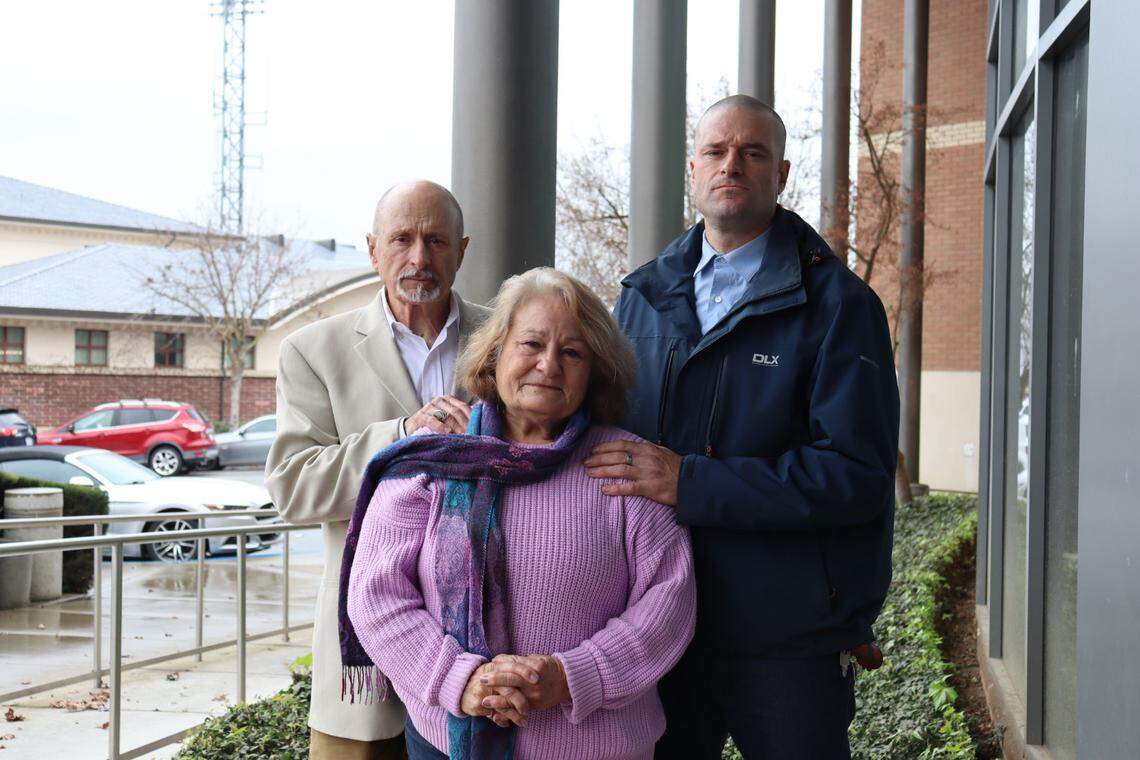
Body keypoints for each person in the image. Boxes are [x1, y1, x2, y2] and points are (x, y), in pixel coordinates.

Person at [584, 94, 901, 758]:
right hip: (657, 627)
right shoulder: (638, 299)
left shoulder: (841, 308)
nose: (733, 164)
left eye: (753, 152)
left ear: (781, 175)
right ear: (693, 168)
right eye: (718, 151)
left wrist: (690, 482)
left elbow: (854, 478)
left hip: (788, 641)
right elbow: (594, 437)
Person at [342, 267, 696, 759]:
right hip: (448, 740)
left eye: (571, 352)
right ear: (495, 353)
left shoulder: (629, 465)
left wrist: (572, 676)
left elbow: (669, 606)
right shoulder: (433, 461)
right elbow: (376, 593)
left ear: (593, 370)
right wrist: (459, 679)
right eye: (531, 343)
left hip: (600, 746)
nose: (548, 366)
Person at [266, 180, 492, 759]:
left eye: (436, 240)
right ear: (372, 249)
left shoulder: (506, 339)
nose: (419, 258)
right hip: (366, 645)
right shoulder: (311, 350)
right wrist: (401, 438)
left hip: (483, 639)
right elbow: (294, 487)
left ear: (462, 250)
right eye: (402, 239)